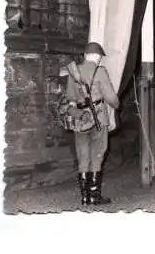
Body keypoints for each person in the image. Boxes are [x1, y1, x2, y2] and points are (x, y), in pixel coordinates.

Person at [65, 42, 120, 205]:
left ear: (85, 55)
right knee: (97, 154)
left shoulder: (73, 71)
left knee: (83, 156)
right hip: (98, 118)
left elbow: (70, 97)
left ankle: (84, 196)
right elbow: (111, 98)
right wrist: (117, 105)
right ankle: (94, 196)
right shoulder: (100, 71)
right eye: (100, 57)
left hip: (80, 119)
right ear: (97, 57)